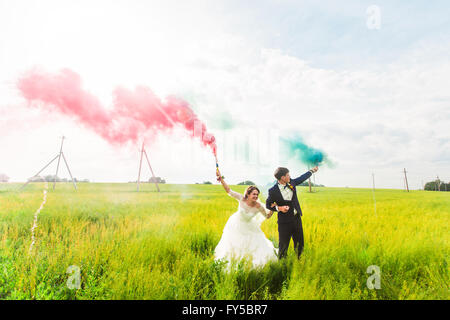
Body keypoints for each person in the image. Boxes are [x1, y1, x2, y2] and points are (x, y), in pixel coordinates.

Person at [214, 168, 278, 268]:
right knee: (234, 245)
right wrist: (221, 178)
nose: (256, 196)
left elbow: (267, 216)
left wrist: (273, 209)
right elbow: (228, 190)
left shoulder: (258, 206)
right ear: (248, 194)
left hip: (249, 227)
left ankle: (249, 264)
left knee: (253, 246)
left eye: (257, 194)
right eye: (254, 194)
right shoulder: (241, 198)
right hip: (236, 225)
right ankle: (234, 261)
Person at [266, 166, 318, 259]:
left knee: (299, 244)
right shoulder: (273, 190)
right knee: (283, 246)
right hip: (284, 222)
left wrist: (312, 171)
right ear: (282, 177)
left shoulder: (292, 182)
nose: (289, 176)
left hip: (296, 219)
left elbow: (302, 178)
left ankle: (299, 261)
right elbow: (268, 204)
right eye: (288, 175)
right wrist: (280, 208)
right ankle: (282, 266)